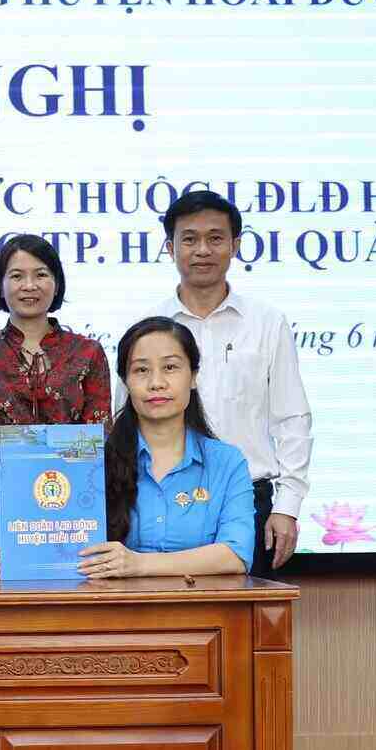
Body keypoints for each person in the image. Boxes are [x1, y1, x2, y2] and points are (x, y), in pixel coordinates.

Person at [128, 191, 313, 574]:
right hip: (160, 498)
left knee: (245, 629)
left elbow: (292, 419)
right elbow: (125, 415)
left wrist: (287, 507)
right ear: (170, 247)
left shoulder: (266, 322)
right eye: (189, 239)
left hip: (248, 501)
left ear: (235, 245)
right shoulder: (149, 325)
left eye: (215, 238)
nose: (202, 250)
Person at [80, 316, 254, 579]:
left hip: (205, 614)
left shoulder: (227, 462)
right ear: (125, 382)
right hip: (113, 613)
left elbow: (235, 555)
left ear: (193, 376)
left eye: (170, 367)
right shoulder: (93, 460)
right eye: (141, 370)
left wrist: (139, 565)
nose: (156, 383)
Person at [0, 233, 111, 455]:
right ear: (0, 284)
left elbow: (98, 435)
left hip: (73, 482)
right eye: (16, 276)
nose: (29, 285)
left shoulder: (88, 352)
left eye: (41, 275)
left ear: (57, 283)